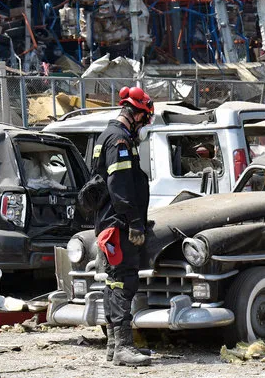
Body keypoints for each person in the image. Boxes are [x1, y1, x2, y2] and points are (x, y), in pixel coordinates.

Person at [92, 86, 154, 366]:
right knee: (123, 280)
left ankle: (114, 345)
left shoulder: (106, 135)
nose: (144, 125)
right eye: (145, 118)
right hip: (118, 223)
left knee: (113, 281)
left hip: (110, 221)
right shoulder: (119, 141)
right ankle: (123, 347)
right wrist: (135, 223)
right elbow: (120, 188)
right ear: (137, 114)